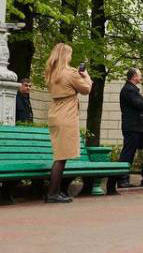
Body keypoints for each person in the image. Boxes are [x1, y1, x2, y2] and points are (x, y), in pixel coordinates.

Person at [44, 43, 91, 203]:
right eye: (70, 54)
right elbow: (86, 89)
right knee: (61, 157)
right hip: (67, 114)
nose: (71, 57)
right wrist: (86, 76)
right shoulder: (70, 73)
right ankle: (52, 193)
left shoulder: (51, 73)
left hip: (55, 113)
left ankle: (57, 191)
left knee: (61, 155)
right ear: (65, 56)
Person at [109, 68, 143, 192]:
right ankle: (122, 179)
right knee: (128, 153)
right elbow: (139, 105)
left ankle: (124, 179)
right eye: (139, 75)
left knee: (130, 153)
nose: (141, 77)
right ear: (134, 76)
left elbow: (140, 105)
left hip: (134, 127)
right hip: (132, 126)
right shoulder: (129, 90)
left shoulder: (131, 89)